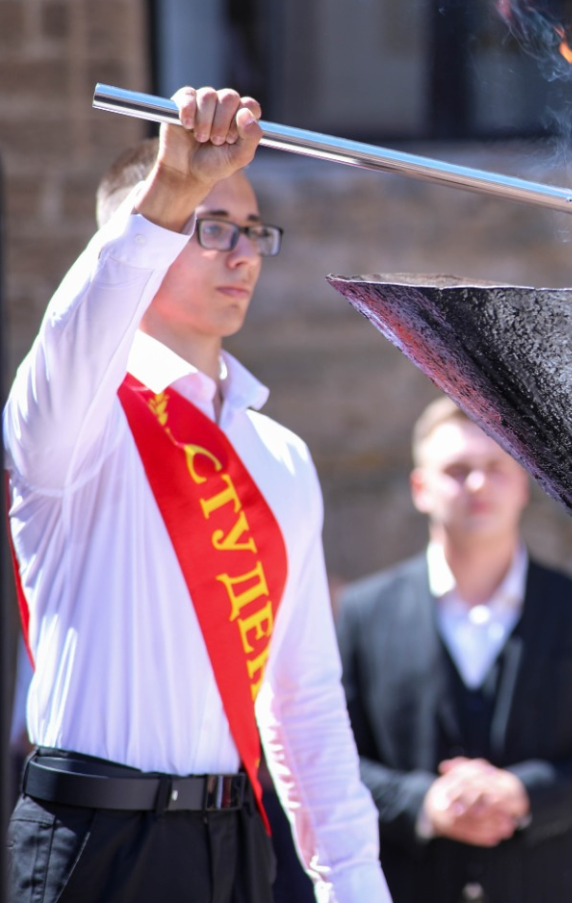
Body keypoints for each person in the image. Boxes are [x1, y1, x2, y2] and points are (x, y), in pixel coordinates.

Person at [4, 87, 391, 903]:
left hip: (234, 842)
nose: (242, 254)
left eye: (252, 232)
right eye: (210, 228)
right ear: (135, 238)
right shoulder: (81, 415)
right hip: (96, 841)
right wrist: (170, 189)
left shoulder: (279, 454)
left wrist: (353, 881)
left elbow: (305, 698)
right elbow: (74, 335)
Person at [336, 396, 572, 903]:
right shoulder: (366, 613)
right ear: (420, 488)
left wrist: (523, 794)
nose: (477, 484)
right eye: (456, 470)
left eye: (496, 467)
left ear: (523, 483)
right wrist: (422, 803)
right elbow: (330, 753)